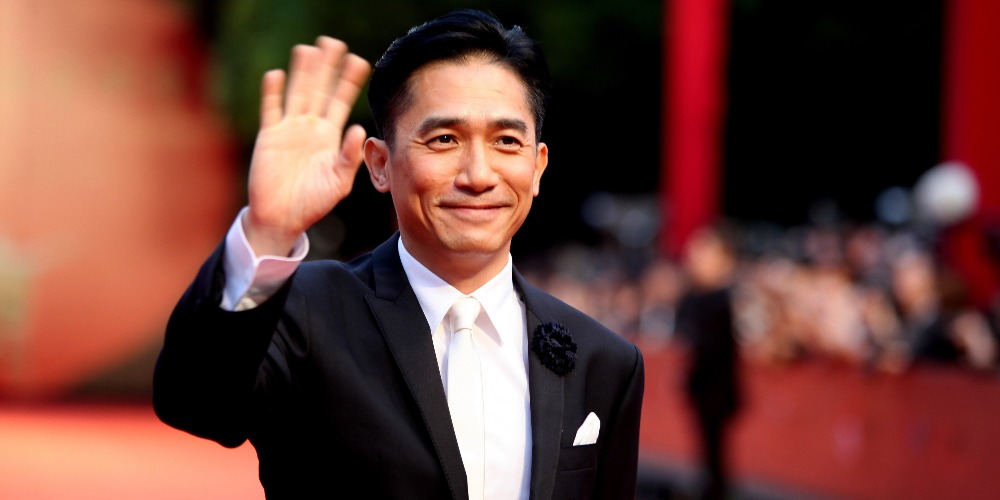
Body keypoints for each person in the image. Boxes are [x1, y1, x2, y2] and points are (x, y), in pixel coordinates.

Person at [152, 9, 644, 500]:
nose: (478, 175)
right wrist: (267, 232)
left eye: (506, 141)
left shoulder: (602, 360)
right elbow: (198, 402)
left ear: (537, 167)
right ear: (380, 165)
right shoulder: (306, 313)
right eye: (444, 139)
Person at [674, 223, 743, 500]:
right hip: (707, 388)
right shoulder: (699, 298)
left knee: (715, 449)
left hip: (716, 390)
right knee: (708, 447)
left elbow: (711, 349)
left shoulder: (722, 300)